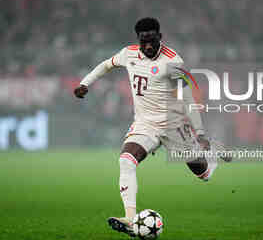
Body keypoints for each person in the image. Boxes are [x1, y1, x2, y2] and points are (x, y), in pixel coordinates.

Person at [74, 17, 220, 236]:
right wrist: (85, 83)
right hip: (145, 125)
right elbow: (106, 65)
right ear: (138, 40)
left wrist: (199, 131)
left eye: (152, 40)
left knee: (203, 173)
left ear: (160, 37)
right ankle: (131, 220)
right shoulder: (128, 53)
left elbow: (187, 96)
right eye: (144, 41)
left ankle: (213, 157)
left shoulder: (172, 60)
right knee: (126, 160)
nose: (148, 46)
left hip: (174, 125)